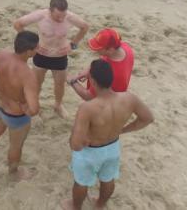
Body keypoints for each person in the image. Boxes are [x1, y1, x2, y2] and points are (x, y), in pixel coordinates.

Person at [64, 59, 154, 210]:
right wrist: (123, 130)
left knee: (81, 182)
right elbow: (148, 118)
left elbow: (76, 144)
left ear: (92, 80)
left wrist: (76, 137)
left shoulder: (87, 108)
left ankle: (75, 207)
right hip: (112, 147)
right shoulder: (129, 98)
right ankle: (100, 204)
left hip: (90, 152)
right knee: (108, 179)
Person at [13, 0, 89, 117]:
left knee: (59, 84)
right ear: (50, 10)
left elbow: (85, 27)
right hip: (42, 54)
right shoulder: (41, 15)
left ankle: (58, 105)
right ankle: (34, 103)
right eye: (58, 16)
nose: (61, 19)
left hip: (60, 55)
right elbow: (18, 24)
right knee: (37, 83)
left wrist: (73, 44)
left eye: (63, 16)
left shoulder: (69, 17)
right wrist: (32, 44)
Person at [0, 30, 41, 180]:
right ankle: (13, 172)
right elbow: (34, 109)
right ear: (29, 52)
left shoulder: (0, 55)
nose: (38, 49)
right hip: (15, 116)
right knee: (15, 146)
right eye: (36, 48)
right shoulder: (28, 75)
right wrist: (25, 108)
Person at [69, 28, 135, 101]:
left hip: (105, 105)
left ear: (110, 50)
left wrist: (72, 81)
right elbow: (103, 57)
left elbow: (89, 97)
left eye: (99, 48)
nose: (96, 50)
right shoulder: (126, 48)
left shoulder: (108, 71)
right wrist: (88, 70)